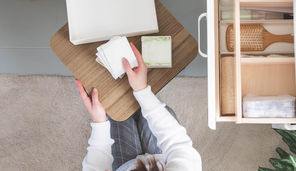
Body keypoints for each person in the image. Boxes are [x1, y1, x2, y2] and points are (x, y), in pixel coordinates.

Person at [75, 42, 202, 171]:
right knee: (160, 112)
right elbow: (177, 143)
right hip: (161, 159)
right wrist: (142, 91)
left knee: (116, 113)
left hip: (124, 164)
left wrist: (100, 123)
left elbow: (96, 164)